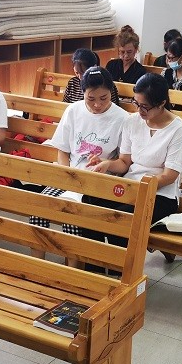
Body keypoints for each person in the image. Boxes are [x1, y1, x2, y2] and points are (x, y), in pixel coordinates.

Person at [30, 67, 127, 250]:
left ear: (111, 92)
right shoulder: (73, 111)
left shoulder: (122, 118)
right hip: (71, 175)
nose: (97, 105)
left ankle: (73, 269)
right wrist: (68, 175)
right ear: (82, 92)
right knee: (39, 211)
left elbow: (124, 163)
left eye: (103, 98)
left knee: (73, 218)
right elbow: (63, 151)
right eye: (90, 99)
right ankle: (38, 267)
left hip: (97, 182)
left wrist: (107, 164)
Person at [87, 73, 182, 238]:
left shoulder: (177, 129)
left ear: (162, 103)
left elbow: (169, 176)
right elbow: (124, 162)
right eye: (136, 103)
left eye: (145, 106)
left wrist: (141, 187)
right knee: (90, 206)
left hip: (160, 194)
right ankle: (94, 263)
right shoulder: (132, 121)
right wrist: (107, 164)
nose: (139, 110)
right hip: (131, 187)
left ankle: (120, 263)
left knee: (122, 221)